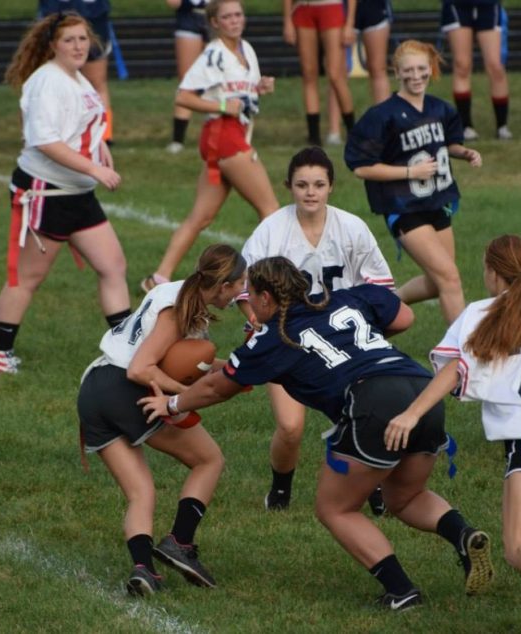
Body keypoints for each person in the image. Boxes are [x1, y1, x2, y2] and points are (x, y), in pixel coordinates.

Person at [140, 256, 495, 608]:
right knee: (404, 497)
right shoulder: (346, 297)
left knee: (335, 508)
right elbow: (403, 315)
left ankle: (401, 591)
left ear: (265, 298)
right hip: (422, 391)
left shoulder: (275, 336)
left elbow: (218, 387)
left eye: (251, 295)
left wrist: (173, 405)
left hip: (373, 401)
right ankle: (462, 534)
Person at [387, 235, 521, 634]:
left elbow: (453, 369)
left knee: (519, 547)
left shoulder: (482, 312)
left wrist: (411, 414)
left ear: (490, 271)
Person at [78, 244, 247, 596]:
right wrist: (177, 400)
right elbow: (142, 368)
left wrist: (234, 370)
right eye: (239, 283)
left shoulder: (178, 293)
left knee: (141, 491)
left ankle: (144, 570)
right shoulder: (178, 309)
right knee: (209, 459)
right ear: (223, 286)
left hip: (95, 390)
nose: (241, 291)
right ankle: (180, 542)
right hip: (127, 388)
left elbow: (177, 360)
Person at [237, 146, 394, 512]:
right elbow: (245, 288)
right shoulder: (273, 230)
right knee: (291, 428)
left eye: (319, 184)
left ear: (331, 187)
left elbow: (380, 287)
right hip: (288, 339)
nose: (311, 192)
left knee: (360, 415)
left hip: (341, 341)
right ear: (289, 186)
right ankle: (280, 489)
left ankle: (372, 486)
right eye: (302, 184)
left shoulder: (351, 227)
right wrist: (257, 320)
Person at [0, 12, 129, 375]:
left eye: (83, 39)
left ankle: (127, 348)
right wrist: (94, 168)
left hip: (75, 193)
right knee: (27, 278)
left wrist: (99, 149)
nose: (79, 46)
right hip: (48, 193)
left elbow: (81, 124)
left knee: (113, 266)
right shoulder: (48, 81)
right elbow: (45, 140)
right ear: (52, 45)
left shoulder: (75, 76)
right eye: (70, 40)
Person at [141, 0, 279, 292]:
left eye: (238, 14)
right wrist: (220, 105)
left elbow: (241, 93)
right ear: (214, 23)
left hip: (230, 134)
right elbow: (183, 97)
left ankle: (158, 278)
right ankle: (265, 281)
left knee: (200, 217)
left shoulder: (246, 49)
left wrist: (260, 87)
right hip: (223, 134)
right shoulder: (214, 53)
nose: (234, 21)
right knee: (271, 210)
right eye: (227, 17)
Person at [345, 39, 482, 325]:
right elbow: (361, 168)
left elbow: (448, 144)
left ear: (430, 69)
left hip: (438, 200)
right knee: (450, 277)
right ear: (397, 72)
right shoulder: (382, 115)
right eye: (408, 70)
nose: (416, 75)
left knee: (437, 281)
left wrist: (464, 153)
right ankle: (462, 352)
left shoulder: (440, 109)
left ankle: (385, 304)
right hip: (404, 206)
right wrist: (410, 173)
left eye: (422, 68)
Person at [38, 1, 116, 144]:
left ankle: (103, 134)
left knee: (96, 82)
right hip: (60, 17)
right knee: (50, 79)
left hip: (90, 16)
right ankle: (51, 131)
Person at [283, 0, 357, 146]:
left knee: (336, 75)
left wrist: (350, 22)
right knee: (309, 74)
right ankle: (314, 136)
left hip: (331, 7)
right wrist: (287, 21)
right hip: (303, 8)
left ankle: (353, 132)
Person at [441, 0, 511, 141]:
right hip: (457, 5)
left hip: (488, 5)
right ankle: (466, 126)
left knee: (495, 66)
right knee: (462, 65)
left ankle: (502, 126)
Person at [326, 0, 392, 145]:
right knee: (337, 73)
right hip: (342, 8)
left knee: (378, 68)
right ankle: (334, 131)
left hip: (375, 8)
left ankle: (385, 127)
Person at [165, 0, 211, 154]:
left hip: (217, 14)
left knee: (218, 77)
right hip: (189, 16)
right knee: (187, 80)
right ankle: (178, 139)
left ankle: (217, 129)